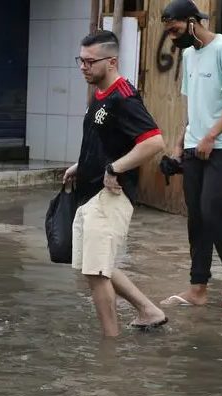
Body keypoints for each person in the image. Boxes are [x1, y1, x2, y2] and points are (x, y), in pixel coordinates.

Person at [62, 30, 168, 337]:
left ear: (112, 62)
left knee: (96, 272)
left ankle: (109, 345)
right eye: (80, 60)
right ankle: (149, 311)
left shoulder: (124, 98)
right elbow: (107, 142)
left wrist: (115, 168)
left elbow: (154, 142)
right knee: (95, 267)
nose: (83, 67)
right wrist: (81, 165)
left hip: (110, 195)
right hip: (91, 191)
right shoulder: (100, 95)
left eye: (90, 62)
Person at [159, 0, 222, 311]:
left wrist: (211, 136)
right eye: (168, 31)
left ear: (192, 21)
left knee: (213, 212)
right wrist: (180, 144)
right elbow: (193, 107)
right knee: (196, 219)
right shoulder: (189, 55)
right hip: (194, 146)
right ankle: (198, 288)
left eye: (175, 29)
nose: (173, 36)